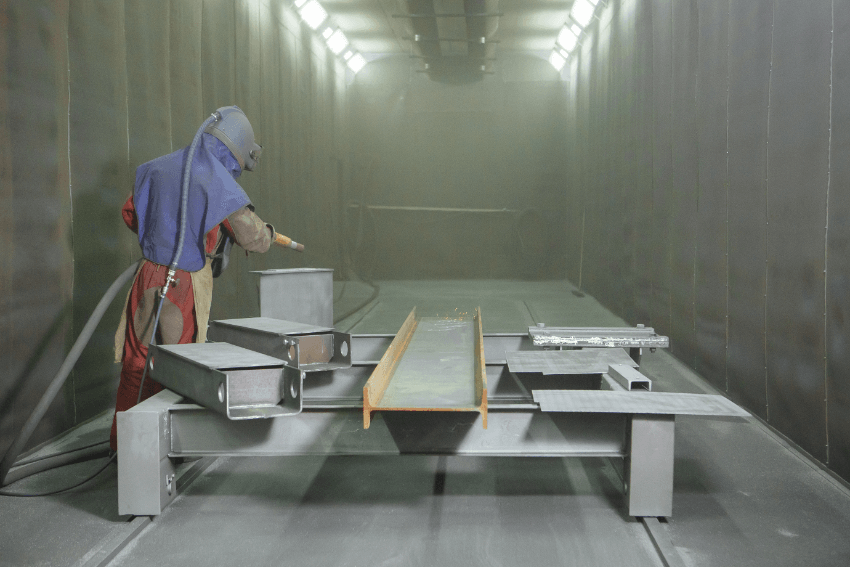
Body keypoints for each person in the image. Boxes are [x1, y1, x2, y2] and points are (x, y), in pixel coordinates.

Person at [110, 106, 274, 451]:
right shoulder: (218, 180)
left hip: (147, 277)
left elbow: (130, 211)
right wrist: (268, 235)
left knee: (137, 364)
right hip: (182, 285)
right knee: (179, 368)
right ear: (237, 150)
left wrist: (160, 237)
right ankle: (168, 451)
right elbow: (250, 236)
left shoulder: (160, 166)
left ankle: (124, 450)